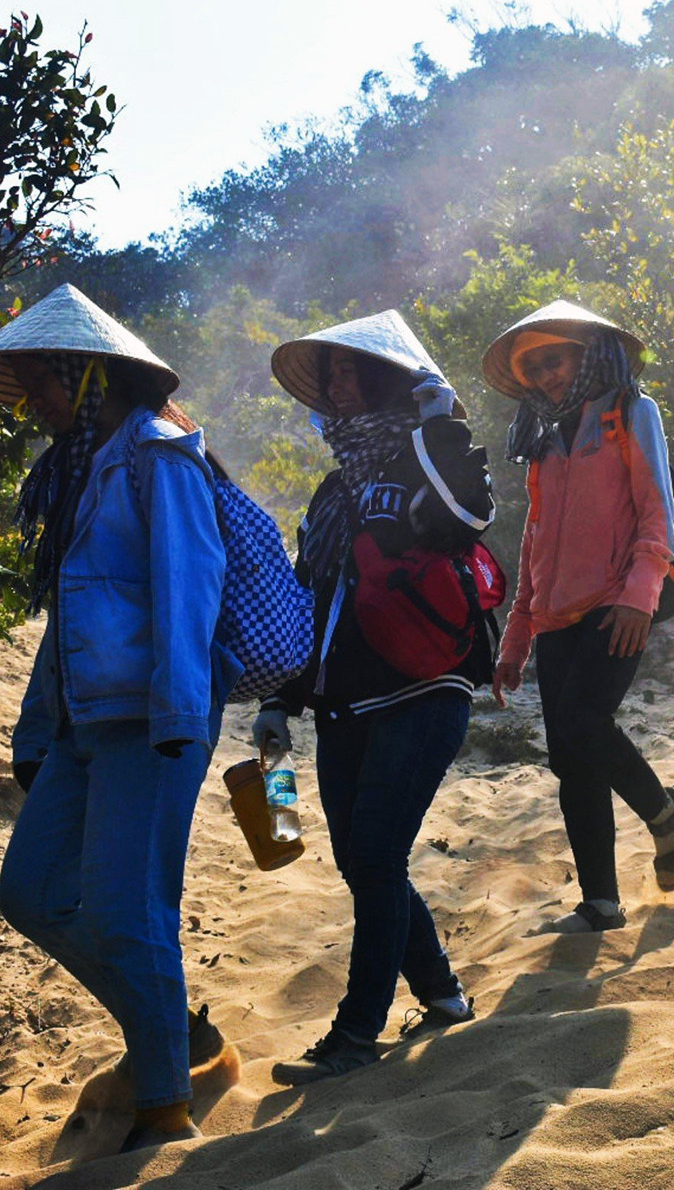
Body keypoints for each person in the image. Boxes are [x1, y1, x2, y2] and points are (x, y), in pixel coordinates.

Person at [0, 283, 237, 1152]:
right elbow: (69, 617)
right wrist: (39, 732)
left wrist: (179, 713)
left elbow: (190, 587)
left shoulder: (159, 454)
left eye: (43, 381)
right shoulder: (82, 468)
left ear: (85, 375)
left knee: (126, 909)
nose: (33, 402)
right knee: (31, 894)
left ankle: (163, 1109)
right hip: (84, 722)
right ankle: (180, 1039)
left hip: (153, 720)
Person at [255, 310, 494, 1084]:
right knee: (365, 862)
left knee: (378, 857)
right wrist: (279, 704)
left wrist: (439, 422)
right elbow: (310, 599)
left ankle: (358, 1034)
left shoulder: (428, 458)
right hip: (343, 702)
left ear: (391, 380)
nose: (341, 388)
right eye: (332, 377)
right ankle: (444, 995)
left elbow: (470, 513)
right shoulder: (334, 490)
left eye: (354, 371)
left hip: (425, 690)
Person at [485, 299, 674, 934]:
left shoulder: (634, 412)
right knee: (569, 758)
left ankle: (664, 817)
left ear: (587, 355)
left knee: (583, 721)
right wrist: (515, 638)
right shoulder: (543, 437)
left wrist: (640, 591)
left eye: (558, 359)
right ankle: (601, 904)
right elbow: (535, 540)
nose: (549, 375)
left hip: (616, 603)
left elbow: (655, 510)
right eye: (538, 368)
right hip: (553, 617)